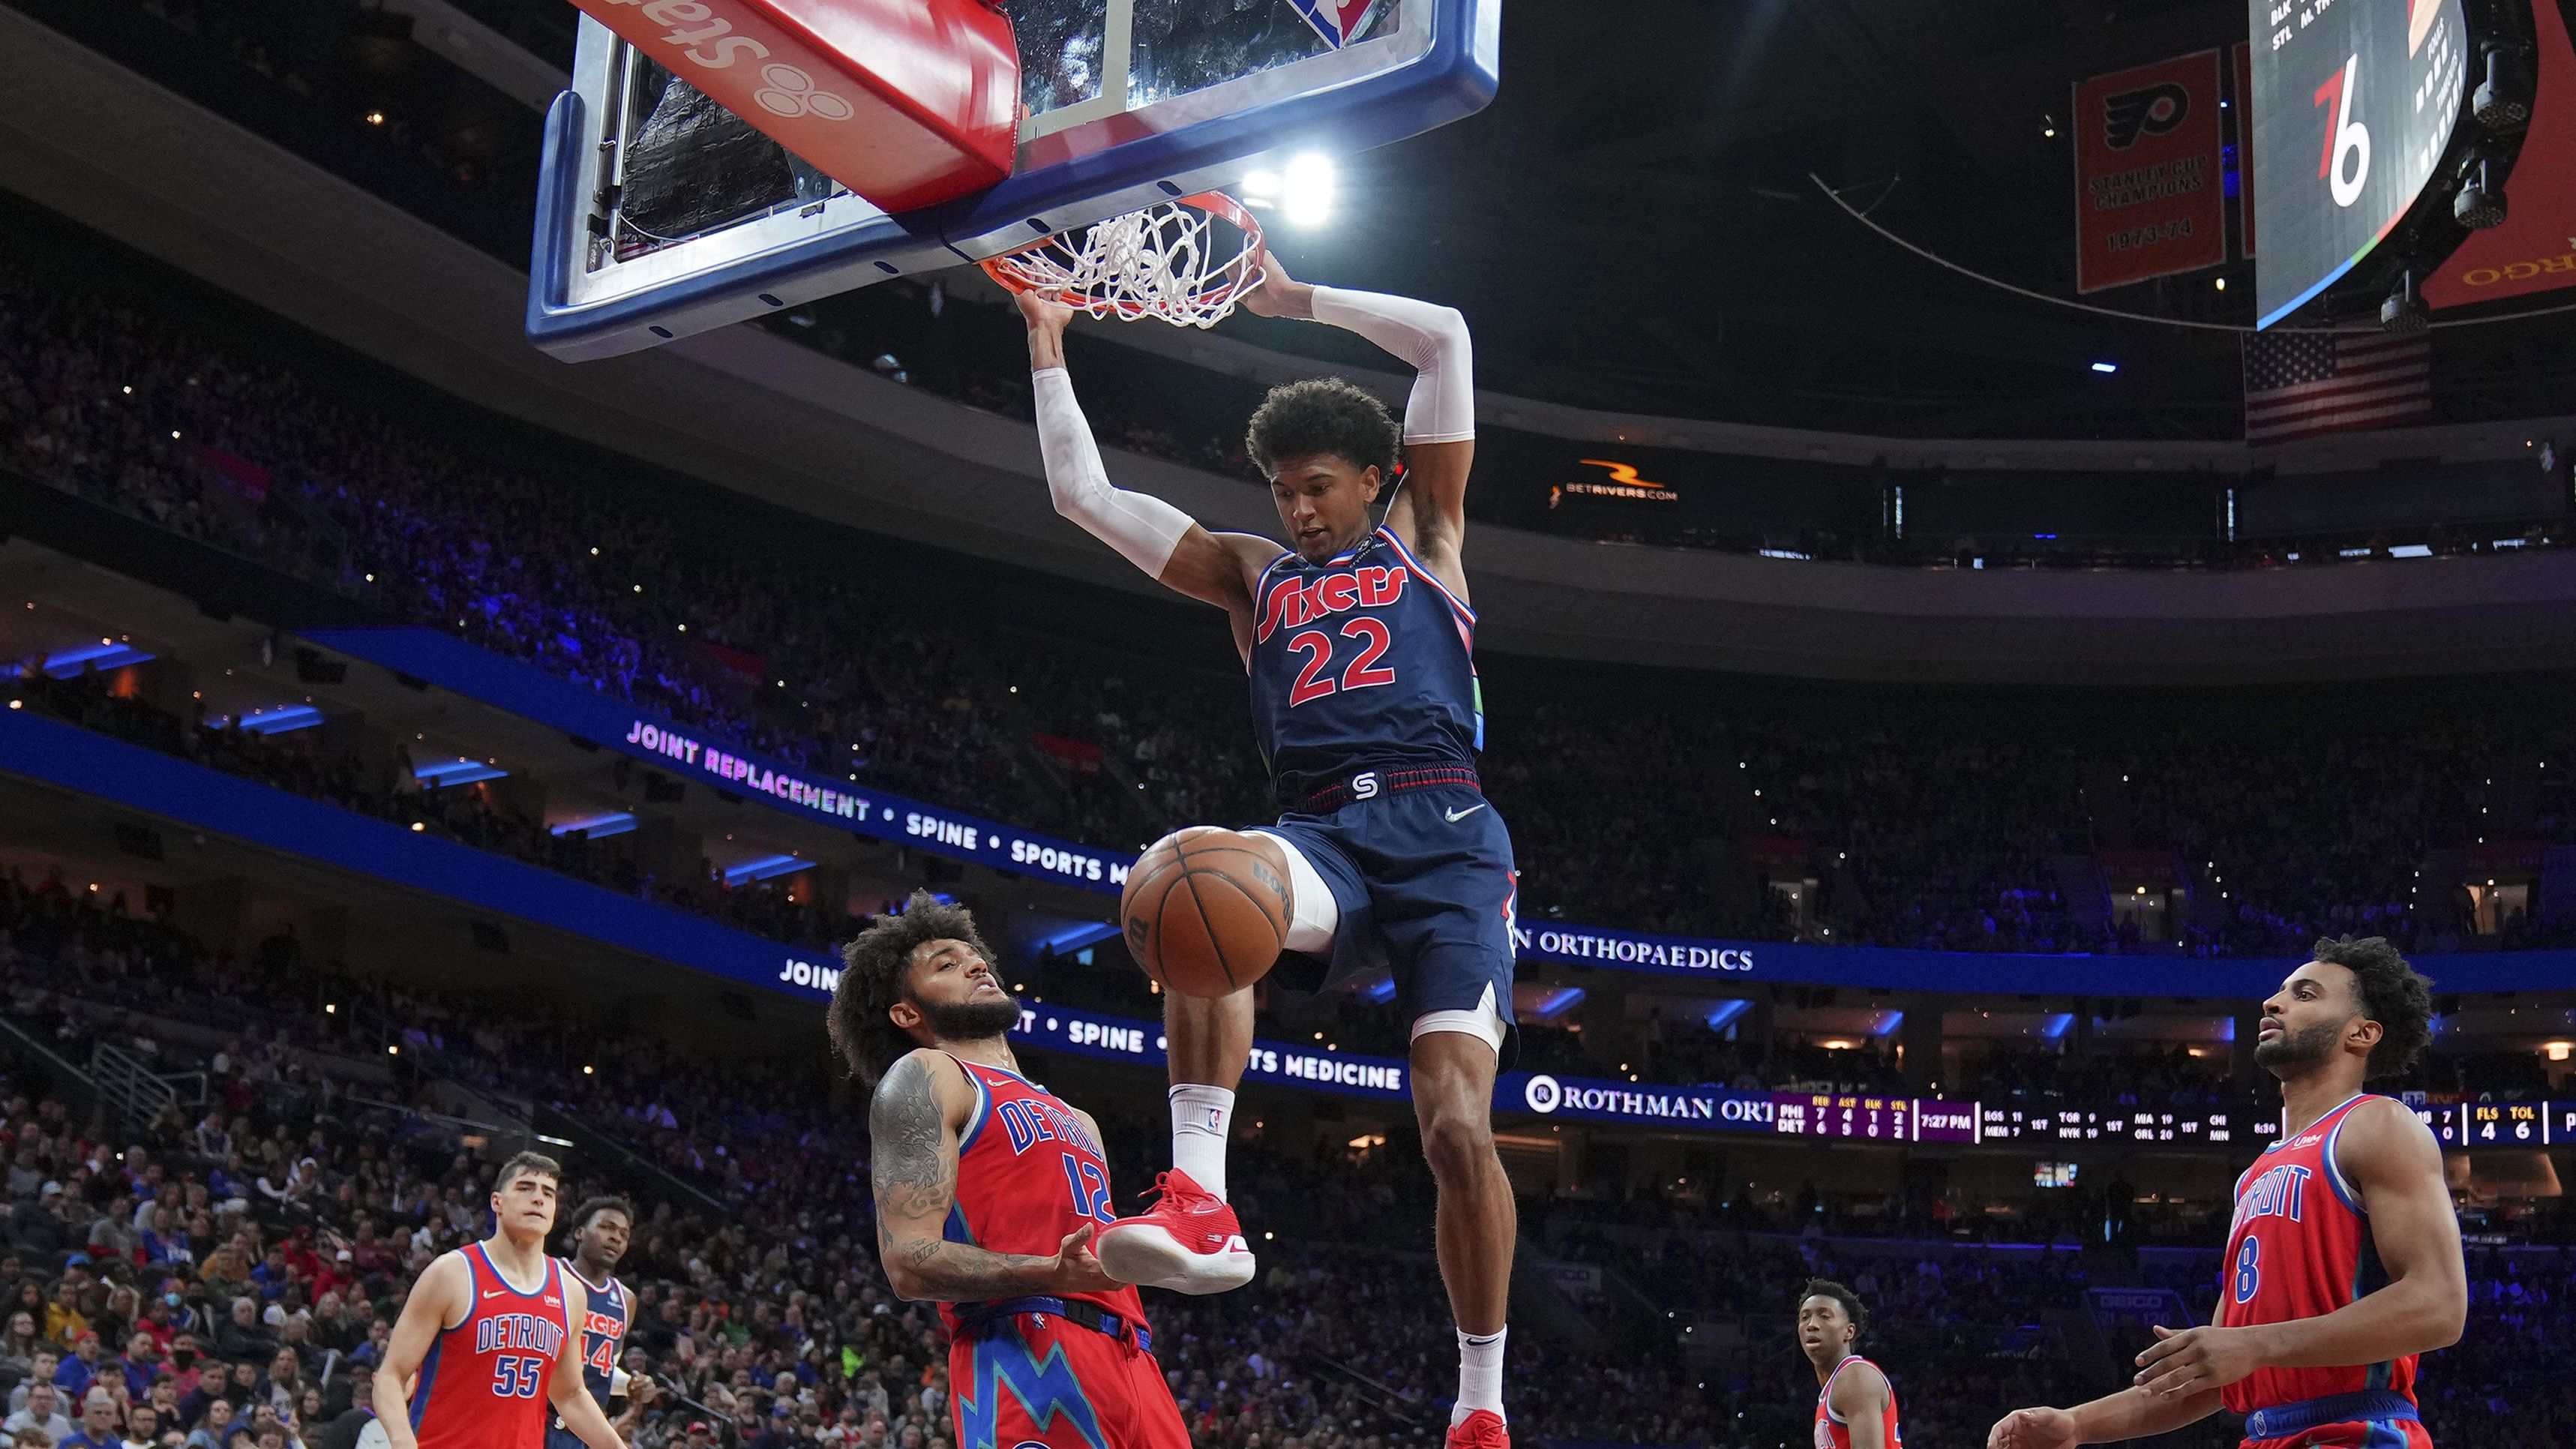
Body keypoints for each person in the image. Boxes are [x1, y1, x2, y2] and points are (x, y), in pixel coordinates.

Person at [1013, 252, 1516, 1449]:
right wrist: (1046, 343)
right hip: (1322, 830)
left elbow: (1444, 332)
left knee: (1452, 1126)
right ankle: (1204, 1203)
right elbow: (1084, 497)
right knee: (1194, 885)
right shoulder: (1250, 575)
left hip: (1448, 838)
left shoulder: (1427, 536)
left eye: (1317, 488)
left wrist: (1297, 304)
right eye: (1282, 490)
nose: (1296, 508)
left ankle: (1479, 1405)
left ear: (1374, 480)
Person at [1988, 936, 2466, 1448]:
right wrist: (2078, 1425)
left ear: (2361, 1033)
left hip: (2357, 1428)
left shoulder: (2377, 1124)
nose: (2272, 1002)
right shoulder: (2257, 1172)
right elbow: (2214, 1371)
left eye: (2305, 994)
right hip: (2265, 1433)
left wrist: (2257, 1344)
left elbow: (2439, 1305)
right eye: (2279, 991)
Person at [829, 894, 1189, 1449]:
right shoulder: (928, 1074)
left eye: (974, 956)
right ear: (907, 1013)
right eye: (945, 965)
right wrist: (1050, 1271)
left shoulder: (1080, 1120)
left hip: (1134, 1356)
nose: (976, 964)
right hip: (1025, 1351)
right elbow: (908, 1262)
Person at [373, 1154, 624, 1449]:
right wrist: (402, 1441)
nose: (538, 1199)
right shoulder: (452, 1273)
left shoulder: (570, 1292)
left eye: (548, 1193)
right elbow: (391, 1375)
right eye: (525, 1188)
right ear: (497, 1202)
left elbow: (569, 1394)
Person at [546, 1199, 652, 1449]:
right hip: (537, 1415)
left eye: (623, 1234)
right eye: (606, 1227)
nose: (615, 1238)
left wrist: (629, 1383)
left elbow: (602, 1368)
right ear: (579, 1232)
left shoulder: (626, 1300)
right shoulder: (549, 1274)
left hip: (580, 1431)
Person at [1797, 1280, 1899, 1449]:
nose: (1812, 1325)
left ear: (1849, 1331)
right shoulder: (1835, 1385)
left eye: (1824, 1316)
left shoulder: (1855, 1376)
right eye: (1805, 1317)